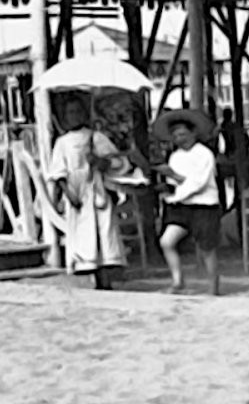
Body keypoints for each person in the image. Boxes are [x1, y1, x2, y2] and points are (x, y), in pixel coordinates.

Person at [47, 96, 134, 290]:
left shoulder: (96, 138)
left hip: (97, 189)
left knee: (103, 233)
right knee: (84, 236)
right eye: (70, 113)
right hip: (77, 192)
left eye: (78, 111)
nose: (74, 116)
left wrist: (100, 162)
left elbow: (118, 163)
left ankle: (105, 279)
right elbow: (58, 172)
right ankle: (91, 275)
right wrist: (68, 193)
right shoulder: (62, 142)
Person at [151, 109, 221, 295]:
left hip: (204, 205)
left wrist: (174, 177)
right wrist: (167, 184)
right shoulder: (175, 157)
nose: (179, 139)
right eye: (175, 136)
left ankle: (213, 287)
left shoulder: (204, 154)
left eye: (183, 134)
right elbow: (178, 183)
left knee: (206, 248)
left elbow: (198, 183)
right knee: (167, 241)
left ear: (194, 133)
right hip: (181, 205)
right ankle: (177, 280)